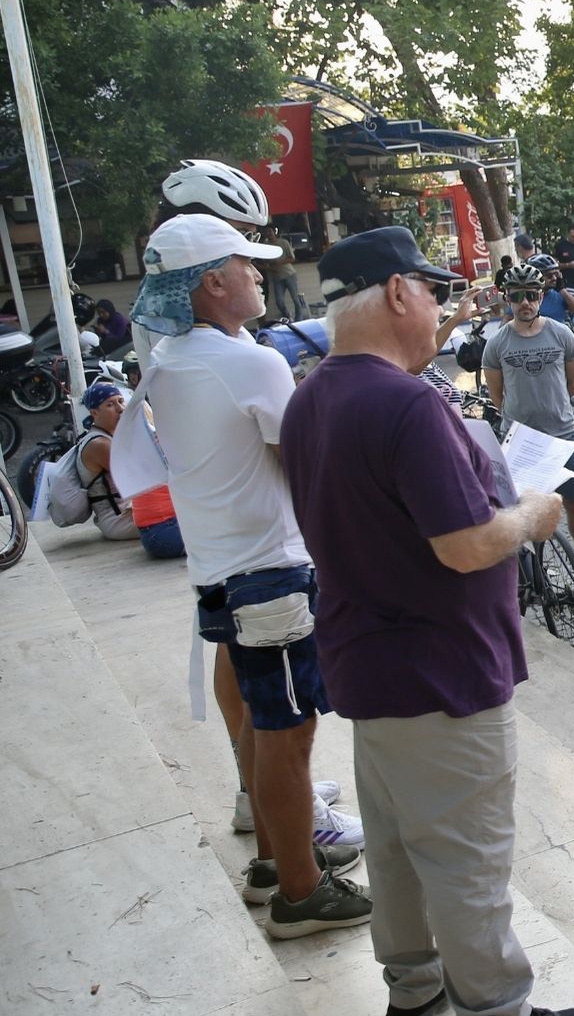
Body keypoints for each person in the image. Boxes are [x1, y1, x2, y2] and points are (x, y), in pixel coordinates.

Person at [283, 227, 574, 1016]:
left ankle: (415, 991)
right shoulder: (405, 402)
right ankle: (498, 1005)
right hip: (443, 677)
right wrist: (530, 513)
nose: (438, 310)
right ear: (396, 293)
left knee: (394, 853)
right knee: (467, 861)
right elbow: (464, 546)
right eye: (432, 292)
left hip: (370, 667)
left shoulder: (312, 396)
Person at [131, 213, 370, 937]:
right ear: (212, 282)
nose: (260, 274)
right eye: (246, 264)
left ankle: (273, 862)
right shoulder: (250, 362)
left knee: (265, 728)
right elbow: (303, 456)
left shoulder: (172, 357)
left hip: (221, 571)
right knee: (288, 732)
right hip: (269, 572)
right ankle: (300, 892)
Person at [482, 262, 574, 595]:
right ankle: (530, 575)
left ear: (541, 296)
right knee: (522, 511)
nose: (525, 303)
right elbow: (497, 395)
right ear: (507, 298)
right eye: (518, 296)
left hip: (562, 434)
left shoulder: (560, 333)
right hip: (520, 441)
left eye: (532, 295)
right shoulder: (497, 343)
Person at [74, 382, 138, 540]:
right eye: (110, 404)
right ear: (94, 412)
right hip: (120, 520)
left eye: (121, 401)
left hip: (130, 512)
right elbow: (139, 477)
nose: (120, 409)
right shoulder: (99, 444)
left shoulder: (111, 436)